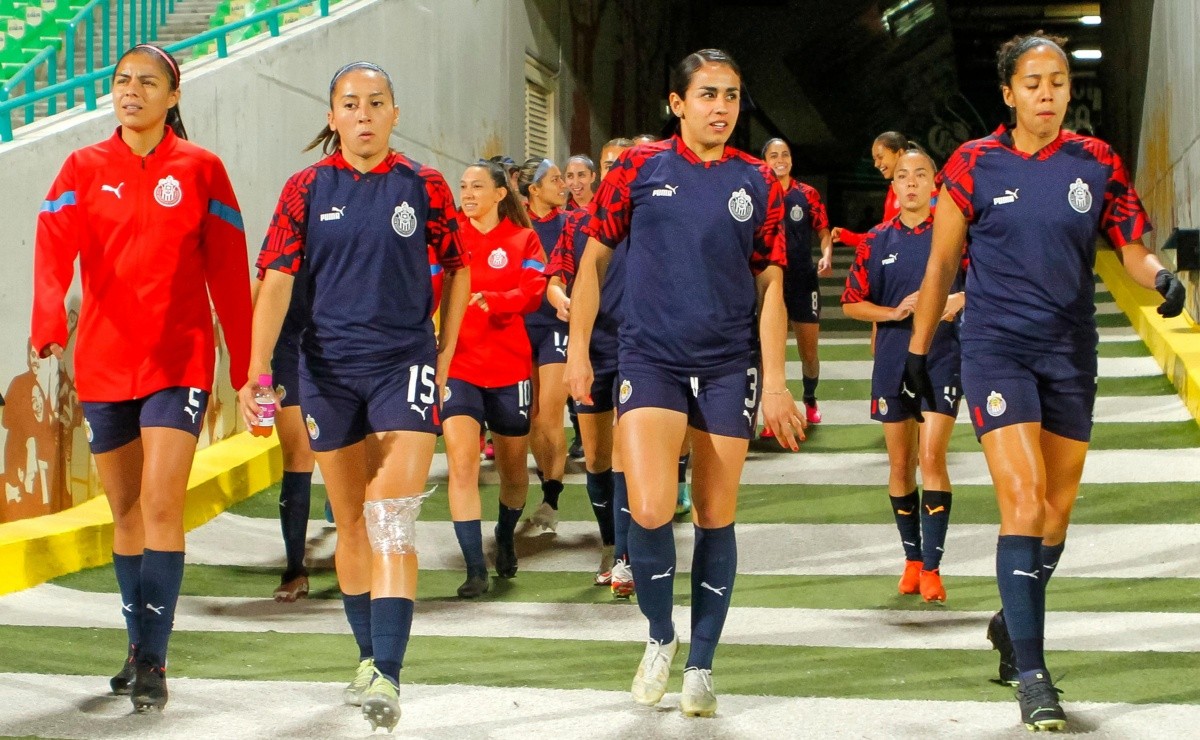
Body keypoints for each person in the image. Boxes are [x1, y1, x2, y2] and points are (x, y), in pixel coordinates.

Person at [902, 32, 1184, 732]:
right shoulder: (972, 164)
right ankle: (1033, 673)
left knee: (1054, 517)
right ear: (1008, 92)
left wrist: (1164, 280)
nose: (1048, 93)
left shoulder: (1097, 162)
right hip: (997, 351)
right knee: (1022, 503)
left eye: (1058, 81)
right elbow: (940, 267)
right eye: (1033, 82)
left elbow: (1133, 249)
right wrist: (918, 349)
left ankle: (1010, 619)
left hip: (1069, 355)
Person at [567, 48, 805, 718]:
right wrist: (581, 349)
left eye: (731, 96)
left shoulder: (760, 180)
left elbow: (771, 283)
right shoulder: (639, 169)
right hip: (649, 358)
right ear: (677, 103)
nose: (721, 108)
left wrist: (778, 381)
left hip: (728, 365)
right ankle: (660, 635)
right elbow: (592, 264)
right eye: (707, 95)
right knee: (647, 509)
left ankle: (701, 664)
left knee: (713, 514)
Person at [240, 62, 469, 733]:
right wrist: (257, 369)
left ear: (395, 113)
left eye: (376, 103)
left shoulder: (422, 185)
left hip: (403, 366)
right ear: (332, 115)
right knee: (349, 522)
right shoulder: (305, 189)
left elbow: (459, 265)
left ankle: (390, 675)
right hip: (326, 373)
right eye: (350, 104)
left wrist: (444, 350)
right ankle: (369, 659)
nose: (364, 114)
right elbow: (276, 283)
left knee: (389, 513)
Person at [31, 44, 252, 712]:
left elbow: (228, 270)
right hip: (102, 363)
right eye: (123, 81)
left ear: (172, 96)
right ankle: (135, 647)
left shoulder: (201, 169)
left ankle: (155, 658)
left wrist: (245, 367)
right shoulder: (83, 166)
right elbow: (51, 241)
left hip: (178, 360)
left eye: (147, 82)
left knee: (160, 505)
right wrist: (48, 322)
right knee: (125, 511)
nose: (131, 91)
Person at [841, 147, 962, 604]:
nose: (911, 183)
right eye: (903, 176)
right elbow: (852, 302)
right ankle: (911, 560)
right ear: (893, 187)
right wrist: (892, 312)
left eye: (921, 175)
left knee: (932, 457)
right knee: (899, 465)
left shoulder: (952, 236)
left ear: (935, 184)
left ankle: (933, 566)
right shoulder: (876, 240)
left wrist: (956, 301)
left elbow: (984, 281)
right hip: (892, 357)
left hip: (941, 354)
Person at [444, 161, 544, 598]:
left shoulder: (524, 239)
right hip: (459, 368)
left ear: (501, 194)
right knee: (462, 465)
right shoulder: (449, 238)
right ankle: (474, 568)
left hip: (509, 368)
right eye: (463, 186)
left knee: (513, 473)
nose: (467, 193)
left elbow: (535, 288)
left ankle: (504, 535)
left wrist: (497, 300)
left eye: (477, 186)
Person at [546, 138, 632, 587]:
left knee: (625, 454)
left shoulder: (645, 218)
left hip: (637, 349)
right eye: (609, 163)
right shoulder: (576, 223)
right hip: (591, 349)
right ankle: (609, 541)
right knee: (596, 456)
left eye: (622, 164)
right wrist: (562, 299)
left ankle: (626, 554)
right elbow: (556, 279)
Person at [761, 138, 833, 427]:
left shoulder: (807, 194)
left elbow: (823, 232)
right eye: (774, 155)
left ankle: (810, 399)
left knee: (809, 351)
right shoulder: (757, 194)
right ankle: (770, 414)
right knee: (767, 352)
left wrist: (826, 255)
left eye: (785, 155)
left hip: (803, 280)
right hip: (768, 283)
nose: (780, 159)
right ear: (764, 161)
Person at [259, 261, 317, 602]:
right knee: (298, 453)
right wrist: (253, 365)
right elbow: (262, 285)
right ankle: (294, 570)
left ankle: (360, 549)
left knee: (354, 454)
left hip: (348, 344)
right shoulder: (288, 223)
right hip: (291, 346)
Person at [519, 157, 571, 533]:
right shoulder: (518, 225)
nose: (563, 185)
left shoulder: (569, 224)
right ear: (533, 189)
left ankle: (552, 497)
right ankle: (545, 485)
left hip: (556, 326)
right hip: (522, 326)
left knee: (551, 414)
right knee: (533, 416)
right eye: (555, 180)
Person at [830, 131, 908, 249]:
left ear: (900, 153)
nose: (876, 164)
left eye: (880, 157)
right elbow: (884, 236)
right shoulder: (893, 191)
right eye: (874, 159)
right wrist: (849, 237)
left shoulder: (924, 188)